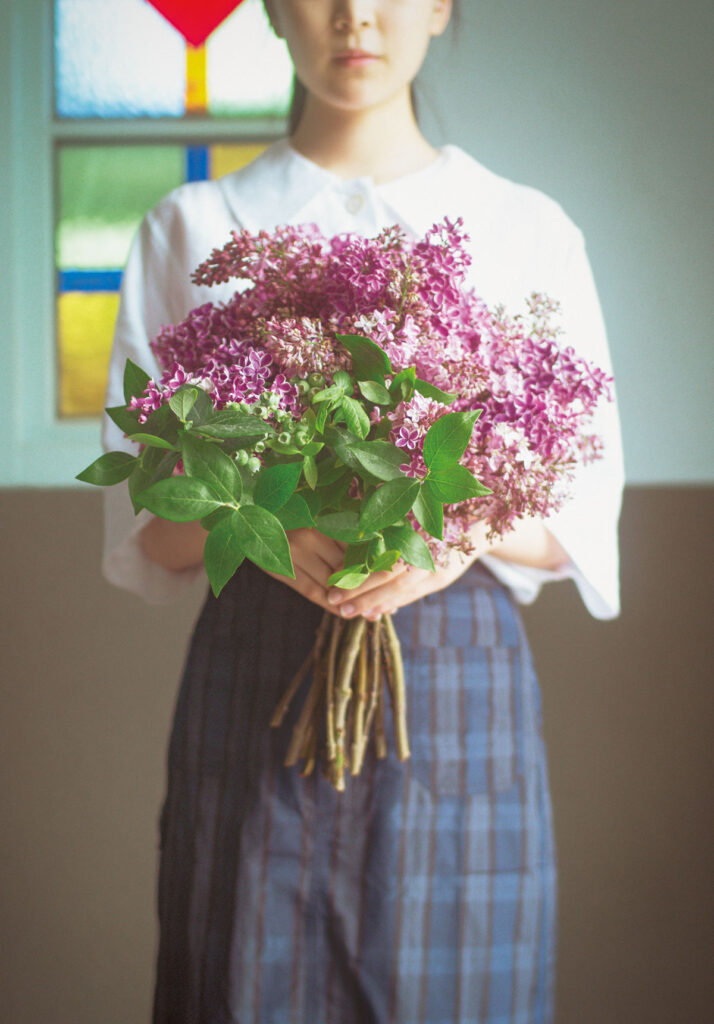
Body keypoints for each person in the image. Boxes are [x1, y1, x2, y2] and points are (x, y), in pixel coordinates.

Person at [101, 1, 624, 1021]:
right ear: (267, 8)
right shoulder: (193, 227)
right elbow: (146, 528)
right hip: (257, 672)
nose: (356, 15)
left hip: (454, 680)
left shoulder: (526, 227)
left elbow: (580, 512)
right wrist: (256, 506)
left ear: (441, 7)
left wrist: (452, 529)